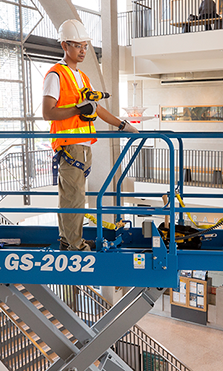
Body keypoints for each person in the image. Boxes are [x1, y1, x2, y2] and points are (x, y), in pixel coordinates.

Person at [42, 19, 138, 251]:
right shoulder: (56, 75)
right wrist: (78, 109)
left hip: (83, 145)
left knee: (72, 198)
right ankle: (75, 245)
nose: (83, 51)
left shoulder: (82, 78)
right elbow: (48, 113)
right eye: (78, 46)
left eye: (85, 46)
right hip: (69, 145)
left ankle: (68, 239)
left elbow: (97, 108)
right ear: (65, 46)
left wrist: (124, 125)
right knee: (74, 198)